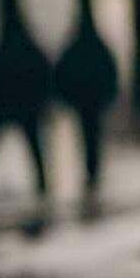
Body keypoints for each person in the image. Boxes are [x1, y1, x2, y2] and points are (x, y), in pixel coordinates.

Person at [0, 25, 53, 202]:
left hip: (4, 108)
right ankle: (43, 185)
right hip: (25, 108)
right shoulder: (30, 53)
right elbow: (44, 78)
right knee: (35, 149)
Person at [54, 21, 119, 196]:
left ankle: (91, 171)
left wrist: (65, 96)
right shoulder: (98, 49)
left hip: (82, 101)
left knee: (86, 137)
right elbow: (110, 71)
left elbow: (61, 73)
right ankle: (93, 171)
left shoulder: (75, 50)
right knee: (93, 137)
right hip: (93, 101)